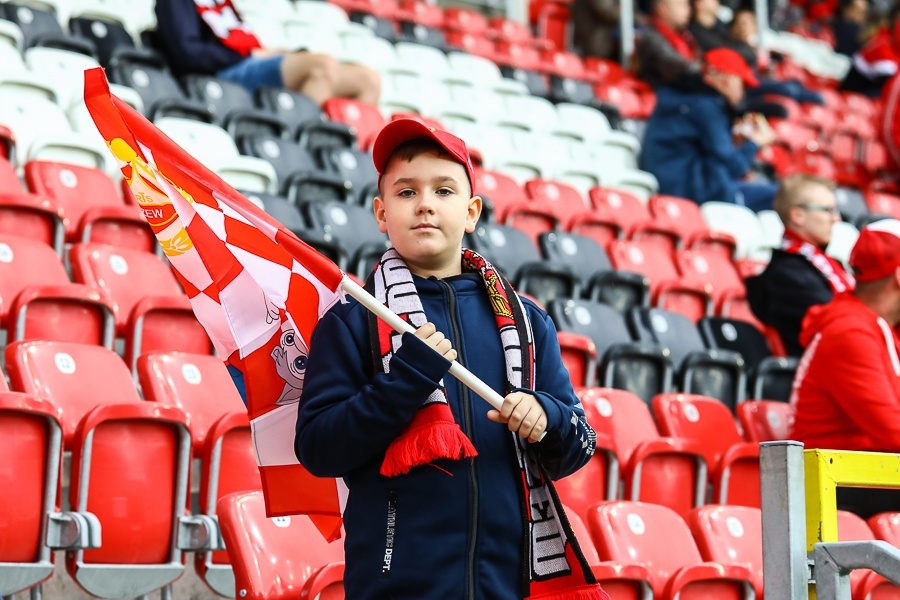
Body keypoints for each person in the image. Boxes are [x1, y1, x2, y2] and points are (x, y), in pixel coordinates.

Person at [294, 120, 600, 599]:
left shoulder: (528, 323)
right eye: (406, 192)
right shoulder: (353, 320)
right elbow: (317, 448)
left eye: (443, 190)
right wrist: (406, 380)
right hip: (396, 587)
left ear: (472, 211)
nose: (425, 204)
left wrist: (549, 418)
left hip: (510, 585)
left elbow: (579, 445)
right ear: (380, 213)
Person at [789, 219, 900, 518]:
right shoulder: (850, 331)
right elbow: (892, 430)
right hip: (831, 484)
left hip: (867, 472)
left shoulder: (877, 327)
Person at [153, 0, 380, 105]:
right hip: (223, 74)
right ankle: (301, 141)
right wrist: (247, 55)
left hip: (245, 61)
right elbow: (188, 55)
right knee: (322, 66)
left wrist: (264, 53)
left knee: (367, 80)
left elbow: (238, 39)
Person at [640, 47, 778, 211]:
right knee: (781, 197)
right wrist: (755, 143)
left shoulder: (690, 98)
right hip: (688, 192)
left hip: (678, 184)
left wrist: (737, 143)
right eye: (742, 84)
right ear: (727, 78)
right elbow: (732, 165)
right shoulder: (705, 106)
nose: (743, 93)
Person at [745, 175, 852, 356]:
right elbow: (840, 327)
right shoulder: (786, 275)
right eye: (829, 210)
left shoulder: (823, 265)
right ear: (798, 215)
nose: (836, 219)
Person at [635, 0, 706, 90]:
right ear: (663, 8)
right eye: (681, 5)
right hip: (662, 92)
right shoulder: (651, 37)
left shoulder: (685, 36)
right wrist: (708, 69)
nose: (688, 9)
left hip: (686, 87)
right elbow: (677, 65)